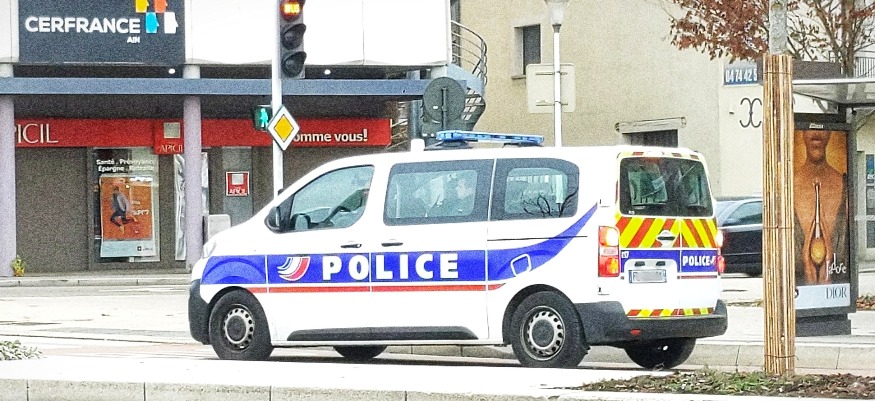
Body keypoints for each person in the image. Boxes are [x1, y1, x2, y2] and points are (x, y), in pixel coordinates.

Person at [793, 130, 849, 286]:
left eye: (822, 129)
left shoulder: (846, 187)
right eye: (810, 128)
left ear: (830, 133)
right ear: (802, 133)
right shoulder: (787, 188)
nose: (816, 133)